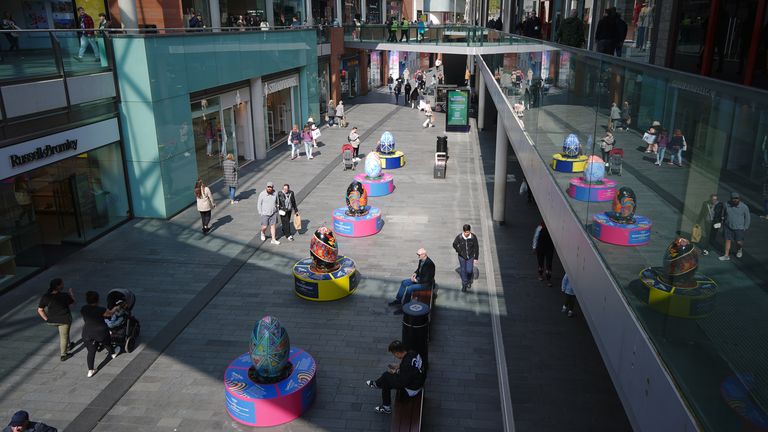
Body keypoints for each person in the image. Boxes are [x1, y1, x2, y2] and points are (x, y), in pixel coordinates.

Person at [365, 340, 425, 414]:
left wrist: (395, 372)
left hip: (412, 389)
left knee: (386, 377)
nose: (394, 356)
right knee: (386, 380)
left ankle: (379, 388)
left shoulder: (406, 365)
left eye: (394, 354)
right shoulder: (413, 353)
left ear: (397, 353)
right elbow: (411, 369)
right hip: (418, 381)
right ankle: (378, 385)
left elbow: (403, 382)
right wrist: (399, 366)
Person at [81, 291, 121, 377]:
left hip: (87, 332)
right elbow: (109, 314)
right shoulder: (101, 309)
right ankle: (113, 353)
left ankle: (90, 370)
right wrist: (115, 308)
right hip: (100, 331)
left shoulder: (83, 308)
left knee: (91, 351)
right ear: (98, 300)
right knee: (107, 342)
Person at [37, 278, 76, 362]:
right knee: (63, 337)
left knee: (64, 333)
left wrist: (47, 319)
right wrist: (71, 294)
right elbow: (73, 304)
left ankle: (69, 345)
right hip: (64, 320)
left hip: (52, 320)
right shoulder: (64, 295)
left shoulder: (46, 296)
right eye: (62, 284)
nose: (63, 285)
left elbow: (40, 310)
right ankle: (63, 355)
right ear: (58, 286)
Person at [388, 248, 435, 314]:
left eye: (419, 255)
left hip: (425, 284)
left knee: (410, 288)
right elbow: (418, 269)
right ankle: (398, 300)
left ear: (424, 254)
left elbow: (427, 279)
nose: (418, 256)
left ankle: (404, 307)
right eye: (417, 254)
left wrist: (416, 281)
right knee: (404, 282)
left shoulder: (430, 264)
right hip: (419, 279)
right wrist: (415, 273)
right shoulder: (421, 260)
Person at [719, 192, 750, 261]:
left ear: (739, 199)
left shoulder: (744, 207)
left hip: (739, 228)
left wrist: (745, 227)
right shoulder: (726, 204)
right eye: (734, 198)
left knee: (738, 242)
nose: (736, 200)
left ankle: (739, 250)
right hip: (728, 227)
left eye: (737, 198)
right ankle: (726, 255)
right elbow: (723, 214)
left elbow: (747, 218)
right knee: (727, 240)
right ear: (731, 199)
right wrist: (722, 222)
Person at [453, 224, 479, 292]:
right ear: (463, 231)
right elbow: (454, 244)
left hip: (470, 256)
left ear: (470, 231)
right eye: (465, 232)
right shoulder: (460, 237)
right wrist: (459, 251)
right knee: (463, 270)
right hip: (461, 257)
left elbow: (476, 247)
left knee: (469, 270)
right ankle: (464, 284)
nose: (467, 233)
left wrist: (476, 258)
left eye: (468, 232)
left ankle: (469, 280)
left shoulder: (473, 237)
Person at [532, 221, 554, 286]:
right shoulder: (539, 228)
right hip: (541, 248)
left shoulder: (553, 227)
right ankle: (541, 275)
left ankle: (548, 279)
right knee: (540, 262)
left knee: (549, 264)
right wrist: (534, 247)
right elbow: (536, 237)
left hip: (549, 249)